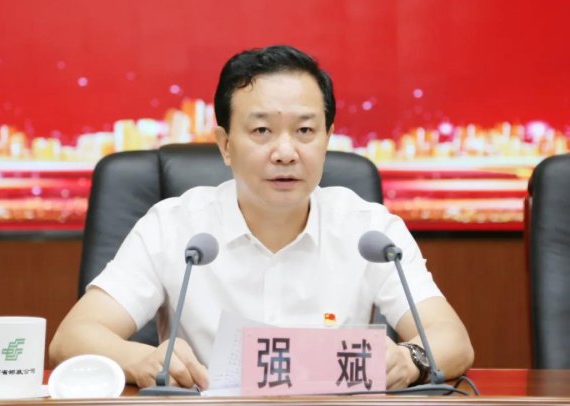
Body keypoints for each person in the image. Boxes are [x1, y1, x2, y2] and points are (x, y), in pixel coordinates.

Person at [49, 45, 474, 391]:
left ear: (327, 139)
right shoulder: (174, 227)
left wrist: (411, 359)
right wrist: (138, 359)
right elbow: (73, 336)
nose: (286, 152)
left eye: (305, 131)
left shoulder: (371, 231)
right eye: (261, 131)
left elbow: (452, 339)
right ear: (225, 144)